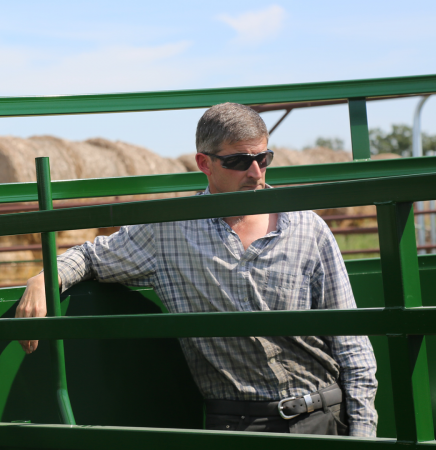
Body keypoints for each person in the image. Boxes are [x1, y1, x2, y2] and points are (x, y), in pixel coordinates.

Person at [16, 102, 378, 437]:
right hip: (236, 424)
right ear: (204, 163)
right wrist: (46, 278)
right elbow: (93, 256)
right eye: (239, 161)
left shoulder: (308, 228)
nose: (255, 173)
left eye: (263, 158)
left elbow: (352, 346)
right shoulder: (168, 229)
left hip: (324, 415)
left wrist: (363, 435)